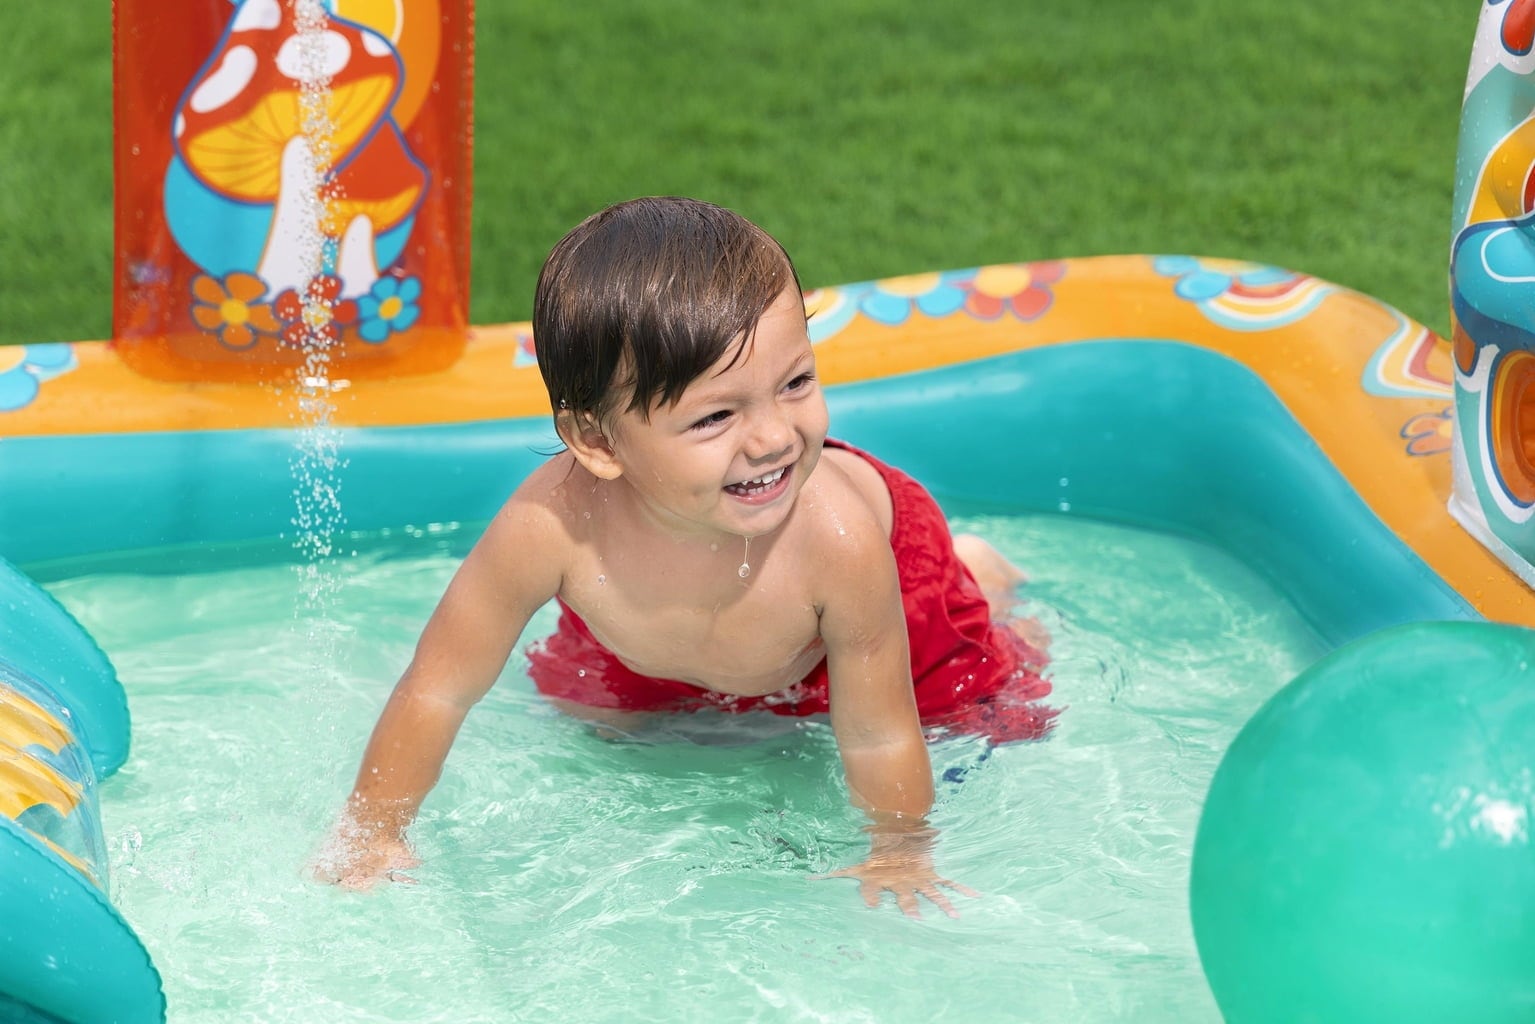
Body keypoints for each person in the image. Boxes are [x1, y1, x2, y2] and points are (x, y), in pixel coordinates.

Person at [316, 197, 1055, 917]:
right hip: (654, 617)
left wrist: (898, 849)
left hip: (885, 591)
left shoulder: (838, 540)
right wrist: (373, 830)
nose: (774, 438)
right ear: (598, 443)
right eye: (716, 415)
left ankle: (979, 576)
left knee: (974, 715)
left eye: (796, 382)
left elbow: (878, 731)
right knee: (591, 720)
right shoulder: (552, 527)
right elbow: (438, 688)